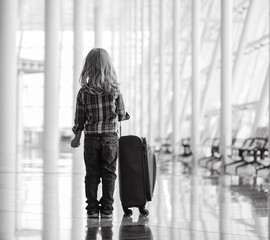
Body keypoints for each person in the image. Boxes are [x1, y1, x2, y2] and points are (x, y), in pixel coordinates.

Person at [71, 48, 129, 218]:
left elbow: (79, 118)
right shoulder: (115, 90)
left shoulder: (83, 92)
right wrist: (124, 115)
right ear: (108, 66)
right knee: (109, 174)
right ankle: (107, 210)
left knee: (92, 174)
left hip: (90, 139)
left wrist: (76, 138)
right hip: (110, 138)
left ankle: (91, 209)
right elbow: (121, 114)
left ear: (88, 66)